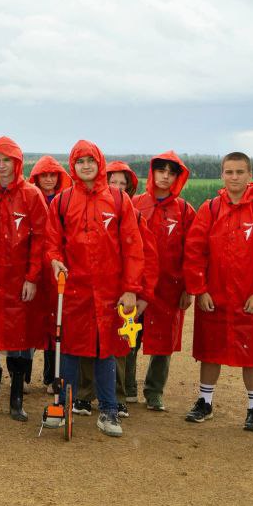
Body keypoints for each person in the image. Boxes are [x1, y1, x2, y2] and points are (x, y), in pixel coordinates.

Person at [44, 140, 145, 438]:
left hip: (110, 291)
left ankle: (109, 411)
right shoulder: (62, 201)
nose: (86, 166)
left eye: (90, 160)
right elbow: (52, 242)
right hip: (74, 289)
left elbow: (133, 247)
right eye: (80, 161)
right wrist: (55, 261)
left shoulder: (118, 200)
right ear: (72, 166)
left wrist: (131, 289)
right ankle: (62, 406)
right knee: (70, 350)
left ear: (99, 163)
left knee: (107, 351)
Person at [183, 152, 253, 432]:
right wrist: (200, 289)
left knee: (251, 355)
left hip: (249, 299)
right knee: (210, 351)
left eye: (240, 172)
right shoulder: (211, 208)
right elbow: (194, 251)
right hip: (214, 297)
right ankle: (205, 402)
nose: (234, 177)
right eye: (229, 172)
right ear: (221, 175)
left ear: (250, 175)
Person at [0, 137, 46, 421]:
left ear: (17, 163)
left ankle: (16, 399)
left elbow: (40, 239)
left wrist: (32, 277)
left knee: (20, 339)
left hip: (19, 280)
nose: (2, 166)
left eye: (7, 161)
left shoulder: (31, 196)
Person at [131, 152, 197, 412]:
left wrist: (189, 288)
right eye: (161, 170)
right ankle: (124, 388)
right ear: (152, 172)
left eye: (171, 171)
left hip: (170, 288)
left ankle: (154, 391)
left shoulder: (183, 210)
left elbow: (191, 252)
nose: (166, 175)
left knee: (163, 343)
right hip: (137, 285)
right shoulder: (134, 204)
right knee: (129, 336)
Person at [102, 160, 158, 416]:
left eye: (122, 184)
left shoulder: (135, 216)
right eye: (112, 182)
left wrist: (143, 295)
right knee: (90, 342)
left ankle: (120, 395)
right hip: (99, 290)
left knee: (124, 343)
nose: (117, 187)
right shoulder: (90, 212)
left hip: (127, 292)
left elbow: (148, 258)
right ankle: (85, 394)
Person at [30, 155, 70, 390]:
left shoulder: (64, 201)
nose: (48, 179)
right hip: (36, 268)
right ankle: (23, 375)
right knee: (32, 322)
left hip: (55, 268)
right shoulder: (29, 198)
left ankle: (51, 376)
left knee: (56, 323)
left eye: (52, 174)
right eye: (43, 175)